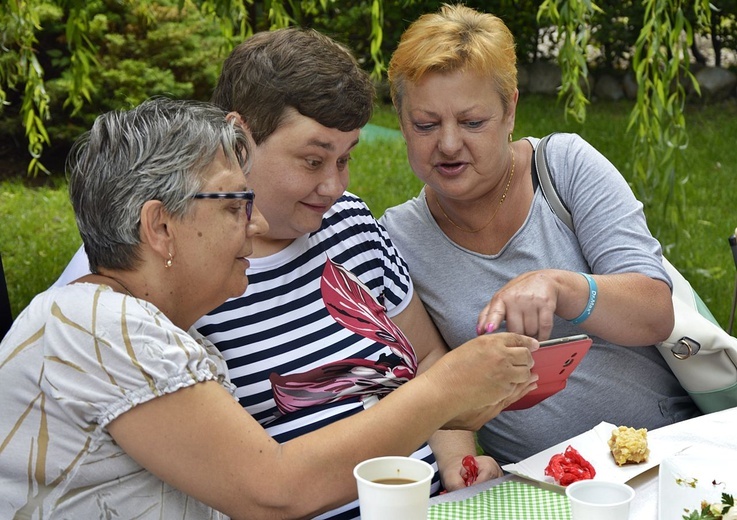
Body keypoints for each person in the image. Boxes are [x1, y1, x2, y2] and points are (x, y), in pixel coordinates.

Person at [49, 30, 518, 517]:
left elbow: (424, 357)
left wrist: (461, 468)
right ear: (239, 137)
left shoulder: (350, 222)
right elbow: (264, 487)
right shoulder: (159, 271)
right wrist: (445, 393)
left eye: (345, 158)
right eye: (313, 160)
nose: (334, 185)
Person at [379, 4, 702, 466]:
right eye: (426, 124)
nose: (448, 144)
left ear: (510, 109)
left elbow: (655, 313)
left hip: (664, 455)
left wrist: (562, 287)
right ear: (400, 118)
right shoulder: (400, 238)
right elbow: (424, 376)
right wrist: (460, 459)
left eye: (473, 122)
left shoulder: (564, 168)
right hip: (536, 484)